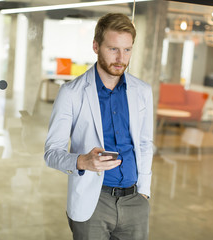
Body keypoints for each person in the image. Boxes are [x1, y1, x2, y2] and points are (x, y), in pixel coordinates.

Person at [44, 13, 153, 240]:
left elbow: (144, 144)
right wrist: (81, 161)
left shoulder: (142, 91)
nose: (121, 58)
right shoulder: (71, 93)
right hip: (92, 202)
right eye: (113, 49)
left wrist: (144, 192)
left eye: (127, 50)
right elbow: (51, 153)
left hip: (135, 202)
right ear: (96, 46)